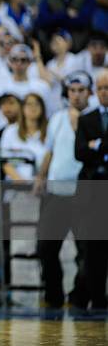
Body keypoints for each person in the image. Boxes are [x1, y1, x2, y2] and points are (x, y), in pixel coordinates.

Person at [34, 71, 92, 308]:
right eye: (72, 91)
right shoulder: (57, 118)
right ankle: (53, 295)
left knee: (86, 250)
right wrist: (41, 175)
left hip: (85, 193)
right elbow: (50, 150)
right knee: (46, 246)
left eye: (81, 91)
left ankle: (79, 296)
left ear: (89, 93)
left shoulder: (96, 118)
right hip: (56, 192)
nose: (76, 95)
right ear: (67, 93)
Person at [74, 70, 108, 309]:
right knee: (94, 246)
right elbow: (80, 152)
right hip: (93, 190)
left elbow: (92, 149)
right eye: (101, 88)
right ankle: (97, 298)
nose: (104, 92)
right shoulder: (87, 119)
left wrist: (98, 145)